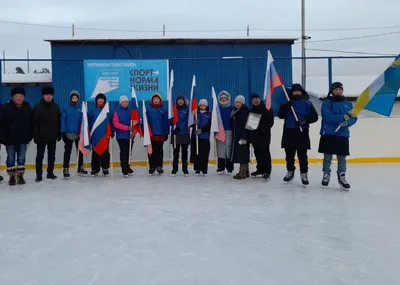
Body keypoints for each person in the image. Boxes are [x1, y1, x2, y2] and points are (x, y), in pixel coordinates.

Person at [318, 82, 358, 190]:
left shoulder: (348, 104)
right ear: (332, 91)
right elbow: (328, 117)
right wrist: (343, 117)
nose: (338, 91)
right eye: (336, 90)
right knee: (327, 157)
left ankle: (342, 176)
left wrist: (347, 123)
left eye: (340, 89)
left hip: (343, 134)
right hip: (329, 133)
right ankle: (326, 174)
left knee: (342, 158)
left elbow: (354, 118)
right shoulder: (326, 103)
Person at [278, 83, 318, 186]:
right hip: (289, 131)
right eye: (294, 91)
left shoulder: (307, 103)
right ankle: (290, 171)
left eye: (298, 91)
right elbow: (281, 115)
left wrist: (304, 121)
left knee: (302, 155)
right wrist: (286, 107)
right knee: (289, 155)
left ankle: (304, 173)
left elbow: (314, 117)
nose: (296, 92)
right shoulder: (287, 102)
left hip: (302, 131)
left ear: (301, 92)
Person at [0, 87, 32, 185]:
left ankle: (20, 176)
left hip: (23, 138)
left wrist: (30, 135)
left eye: (21, 96)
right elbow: (1, 124)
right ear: (13, 97)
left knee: (21, 158)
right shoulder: (6, 108)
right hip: (10, 139)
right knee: (10, 157)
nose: (19, 98)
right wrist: (3, 138)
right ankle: (12, 177)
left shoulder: (27, 107)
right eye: (17, 96)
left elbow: (31, 123)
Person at [33, 87, 61, 182]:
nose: (48, 97)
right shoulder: (37, 107)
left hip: (52, 136)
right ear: (43, 95)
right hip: (41, 136)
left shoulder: (56, 107)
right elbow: (35, 122)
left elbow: (58, 121)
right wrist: (36, 135)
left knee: (52, 155)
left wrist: (59, 133)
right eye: (46, 95)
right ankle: (39, 174)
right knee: (40, 155)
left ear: (53, 95)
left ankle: (50, 172)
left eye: (50, 95)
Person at [61, 90, 87, 179]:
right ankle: (66, 168)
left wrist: (83, 132)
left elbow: (83, 120)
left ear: (78, 98)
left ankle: (80, 167)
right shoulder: (66, 108)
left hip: (78, 134)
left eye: (76, 97)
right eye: (73, 97)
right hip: (68, 133)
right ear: (70, 98)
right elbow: (63, 120)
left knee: (80, 152)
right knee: (67, 152)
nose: (74, 99)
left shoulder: (81, 108)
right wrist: (63, 132)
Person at [248, 93, 274, 180]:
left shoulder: (267, 108)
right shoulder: (251, 110)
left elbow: (270, 122)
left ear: (259, 99)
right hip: (255, 136)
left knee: (265, 153)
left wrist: (261, 127)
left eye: (256, 98)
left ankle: (267, 171)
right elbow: (249, 124)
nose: (255, 100)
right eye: (253, 99)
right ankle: (260, 169)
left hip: (264, 135)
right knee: (257, 153)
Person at [89, 93, 113, 177]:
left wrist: (111, 132)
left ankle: (105, 167)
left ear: (104, 100)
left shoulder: (107, 110)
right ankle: (95, 169)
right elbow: (88, 122)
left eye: (102, 99)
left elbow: (111, 122)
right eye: (99, 99)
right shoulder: (92, 110)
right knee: (95, 152)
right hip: (95, 135)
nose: (100, 100)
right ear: (96, 100)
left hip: (105, 135)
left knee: (105, 152)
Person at [146, 93, 169, 175]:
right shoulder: (148, 109)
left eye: (157, 99)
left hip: (160, 133)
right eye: (154, 98)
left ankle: (159, 166)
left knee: (159, 151)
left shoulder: (164, 109)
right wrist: (146, 132)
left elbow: (166, 122)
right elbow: (145, 122)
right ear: (152, 100)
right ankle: (152, 166)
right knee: (151, 151)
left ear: (160, 100)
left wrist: (167, 132)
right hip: (151, 134)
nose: (156, 100)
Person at [112, 95, 135, 178]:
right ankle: (124, 168)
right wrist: (127, 128)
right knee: (124, 152)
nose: (125, 103)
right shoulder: (116, 112)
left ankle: (128, 166)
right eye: (123, 102)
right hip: (121, 136)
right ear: (120, 103)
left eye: (126, 102)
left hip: (130, 136)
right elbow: (116, 124)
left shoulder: (131, 111)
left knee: (129, 152)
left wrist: (134, 132)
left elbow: (135, 123)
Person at [190, 99, 211, 176]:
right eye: (201, 105)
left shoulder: (209, 114)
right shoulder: (195, 113)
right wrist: (193, 123)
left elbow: (209, 125)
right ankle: (197, 169)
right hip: (196, 136)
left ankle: (204, 169)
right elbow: (190, 123)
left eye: (204, 105)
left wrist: (202, 130)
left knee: (204, 154)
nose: (202, 107)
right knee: (196, 153)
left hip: (204, 137)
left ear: (206, 106)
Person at [230, 95, 250, 179]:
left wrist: (245, 137)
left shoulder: (245, 111)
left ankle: (242, 172)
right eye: (236, 102)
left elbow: (247, 125)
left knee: (243, 154)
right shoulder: (235, 111)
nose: (237, 104)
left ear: (242, 103)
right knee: (241, 153)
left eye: (239, 102)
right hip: (236, 135)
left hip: (243, 136)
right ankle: (246, 171)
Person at [215, 91, 234, 175]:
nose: (223, 100)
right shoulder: (217, 109)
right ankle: (221, 167)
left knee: (228, 148)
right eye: (221, 98)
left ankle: (229, 166)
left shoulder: (232, 108)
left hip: (229, 130)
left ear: (228, 98)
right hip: (220, 131)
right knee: (220, 149)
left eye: (225, 98)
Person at [170, 95, 190, 177]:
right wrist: (171, 123)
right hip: (175, 134)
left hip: (184, 133)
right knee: (175, 153)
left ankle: (185, 169)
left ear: (184, 101)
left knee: (184, 152)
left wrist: (179, 128)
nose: (180, 101)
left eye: (182, 100)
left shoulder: (187, 110)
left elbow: (187, 121)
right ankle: (175, 169)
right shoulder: (173, 110)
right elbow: (170, 119)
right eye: (179, 100)